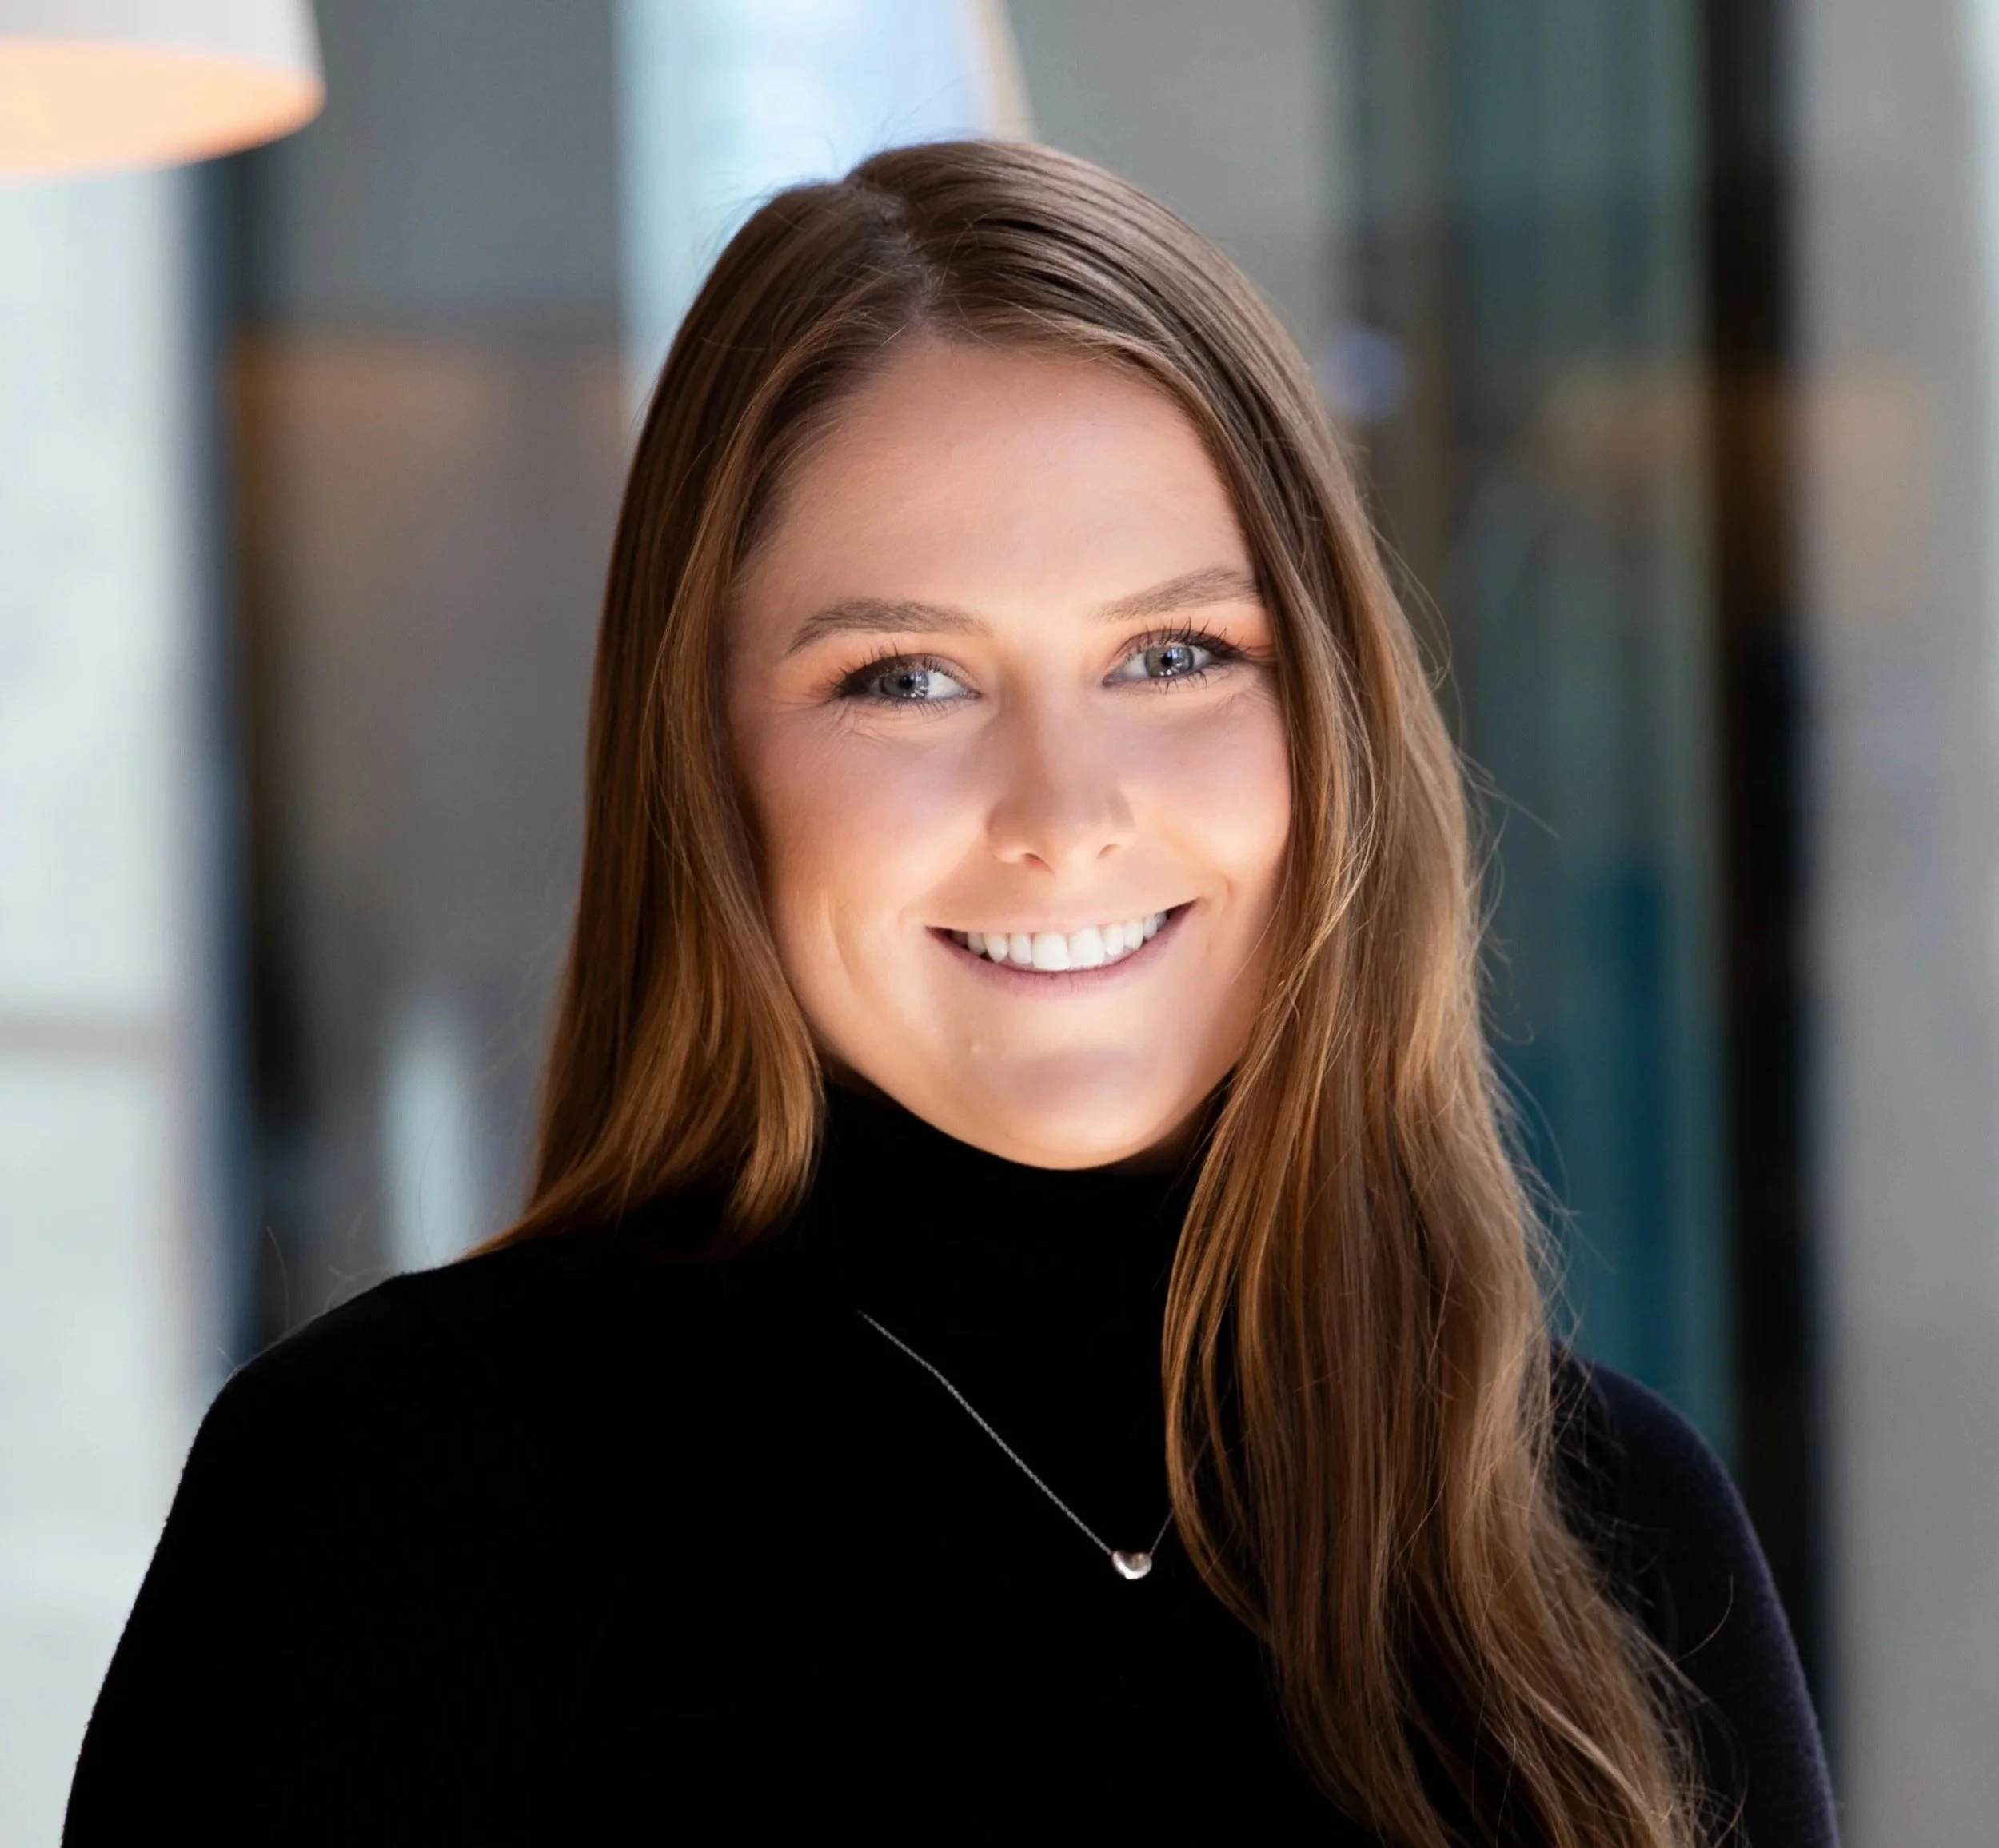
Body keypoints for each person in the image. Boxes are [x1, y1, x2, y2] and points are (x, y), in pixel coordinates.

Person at [64, 140, 1837, 1846]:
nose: (1062, 815)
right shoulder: (392, 1500)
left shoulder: (1611, 1528)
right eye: (905, 678)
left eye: (1174, 654)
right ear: (705, 758)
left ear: (1333, 723)